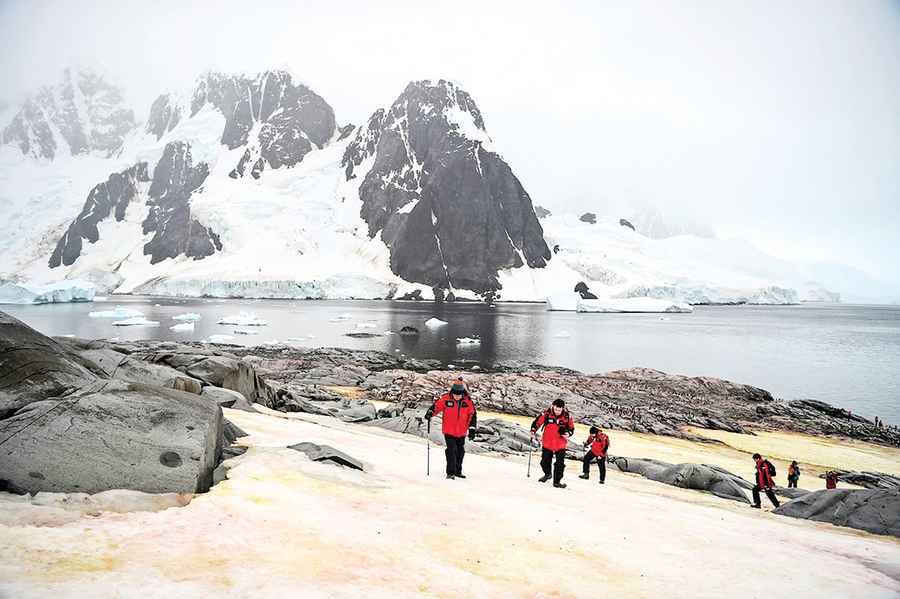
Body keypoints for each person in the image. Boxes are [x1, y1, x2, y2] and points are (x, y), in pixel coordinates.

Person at [425, 377, 477, 480]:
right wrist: (430, 413)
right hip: (449, 430)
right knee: (451, 450)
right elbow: (436, 406)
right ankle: (450, 472)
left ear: (462, 393)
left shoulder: (468, 402)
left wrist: (472, 429)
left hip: (461, 431)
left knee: (460, 451)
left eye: (459, 395)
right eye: (455, 394)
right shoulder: (446, 399)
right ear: (452, 392)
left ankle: (458, 471)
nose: (457, 397)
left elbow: (473, 415)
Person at [530, 399, 575, 488]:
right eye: (556, 409)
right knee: (544, 462)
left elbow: (571, 429)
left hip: (560, 444)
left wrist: (568, 434)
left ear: (563, 408)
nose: (558, 411)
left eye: (559, 410)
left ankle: (557, 482)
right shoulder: (546, 414)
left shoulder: (567, 417)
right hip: (547, 442)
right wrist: (533, 431)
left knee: (560, 464)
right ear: (552, 406)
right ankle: (548, 474)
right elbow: (537, 423)